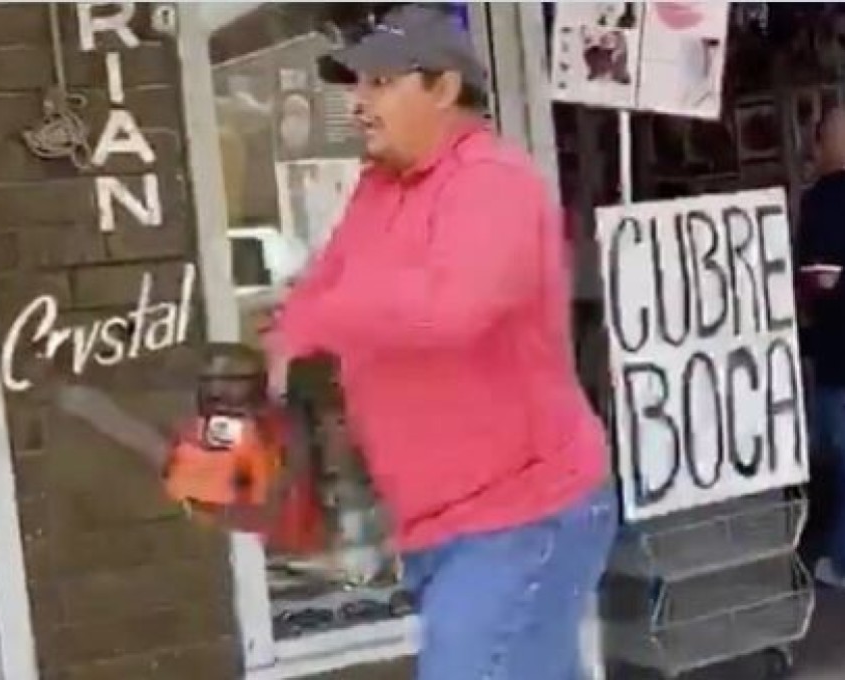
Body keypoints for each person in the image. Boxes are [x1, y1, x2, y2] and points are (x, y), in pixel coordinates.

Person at [264, 6, 616, 679]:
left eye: (379, 83)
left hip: (524, 511)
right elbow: (323, 286)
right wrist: (287, 345)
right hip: (443, 521)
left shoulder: (493, 183)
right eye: (356, 85)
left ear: (444, 88)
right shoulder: (378, 188)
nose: (359, 103)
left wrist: (324, 318)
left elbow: (451, 310)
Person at [798, 108, 845, 587]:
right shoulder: (826, 202)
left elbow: (820, 284)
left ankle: (839, 559)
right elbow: (822, 282)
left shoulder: (822, 204)